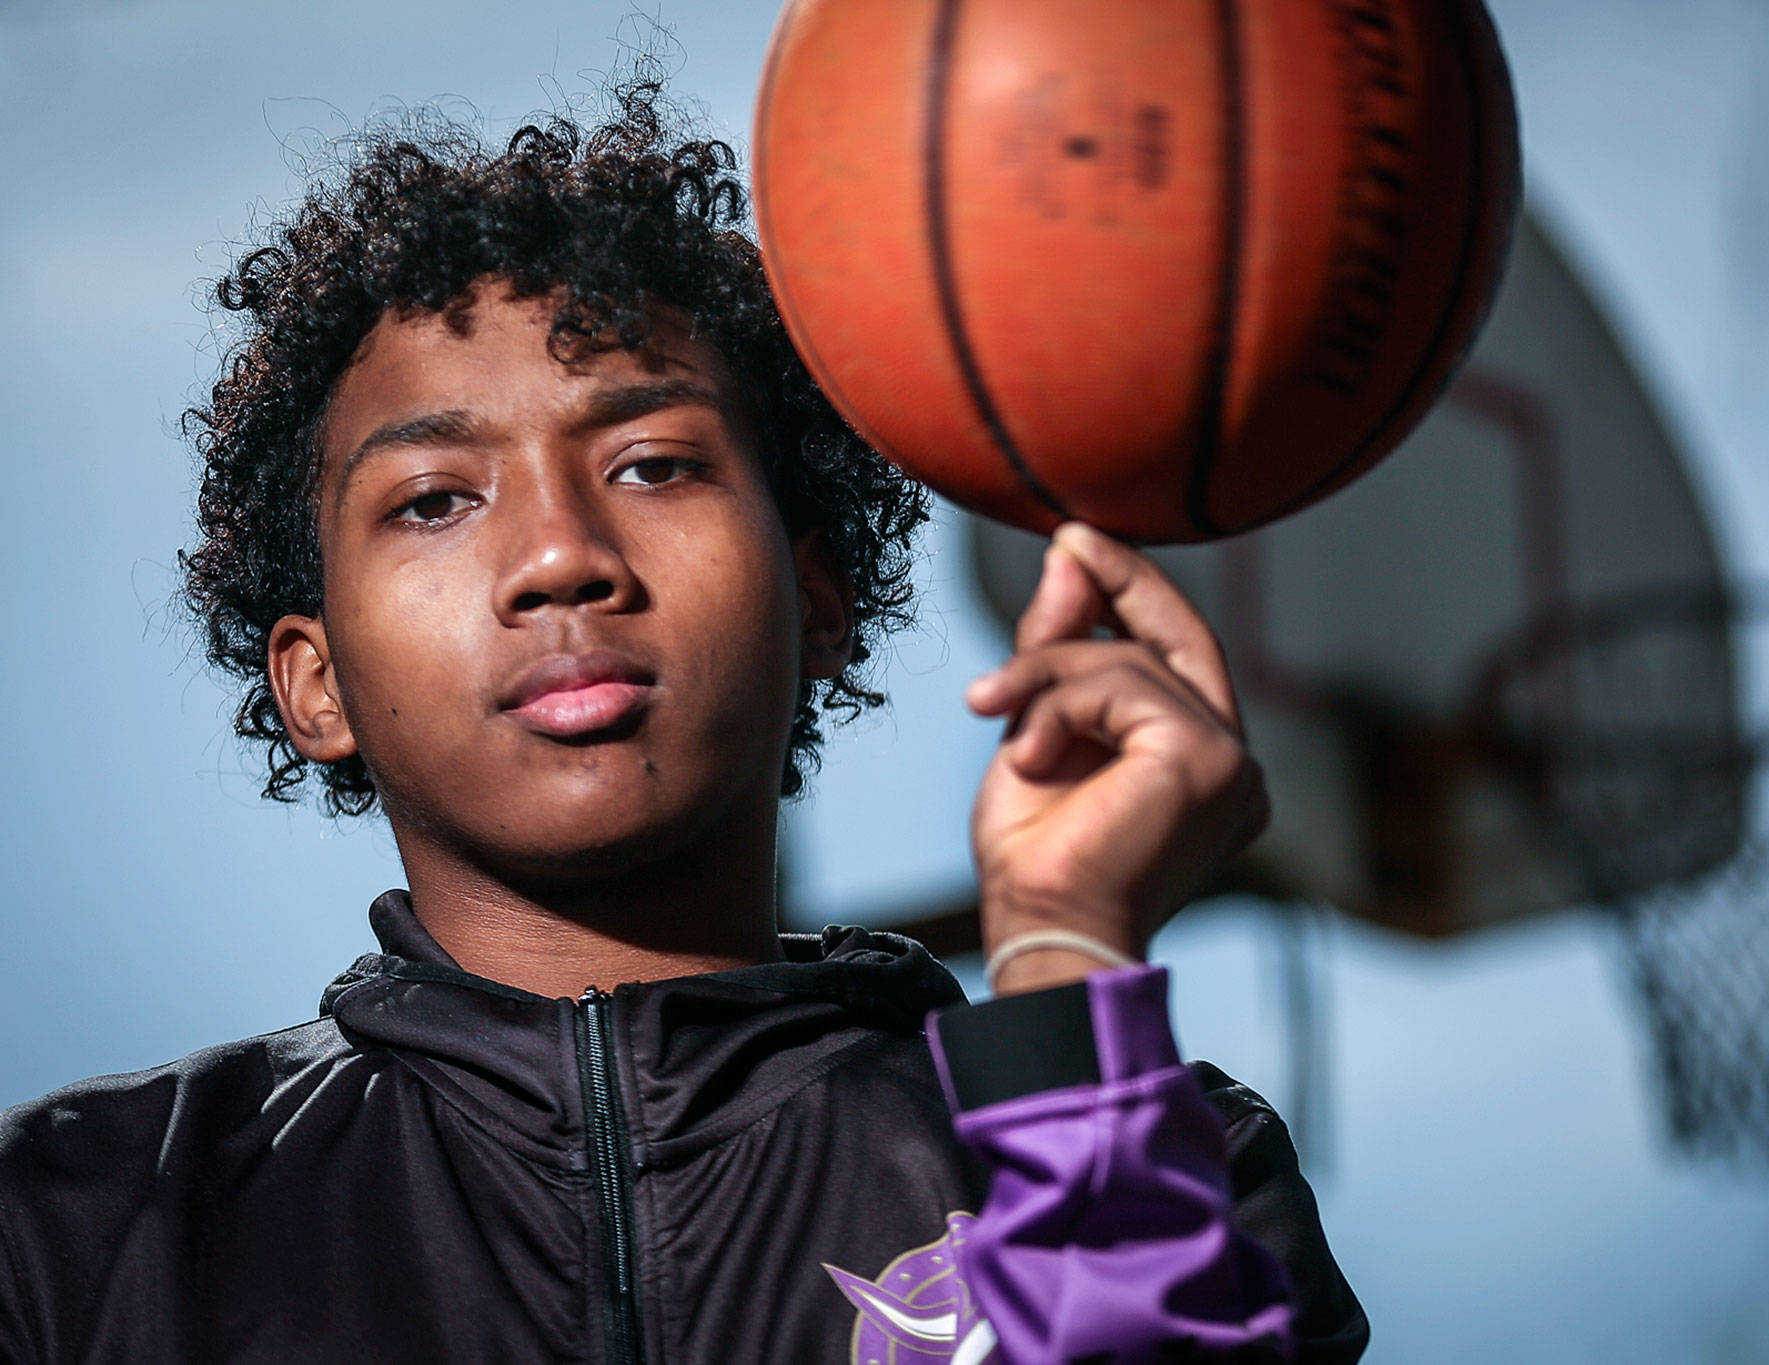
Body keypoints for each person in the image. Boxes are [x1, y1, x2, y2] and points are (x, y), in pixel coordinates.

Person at [0, 77, 1367, 1363]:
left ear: (818, 592)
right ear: (316, 683)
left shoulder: (1159, 1156)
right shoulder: (80, 1220)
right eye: (433, 498)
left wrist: (1068, 946)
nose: (562, 556)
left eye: (653, 463)